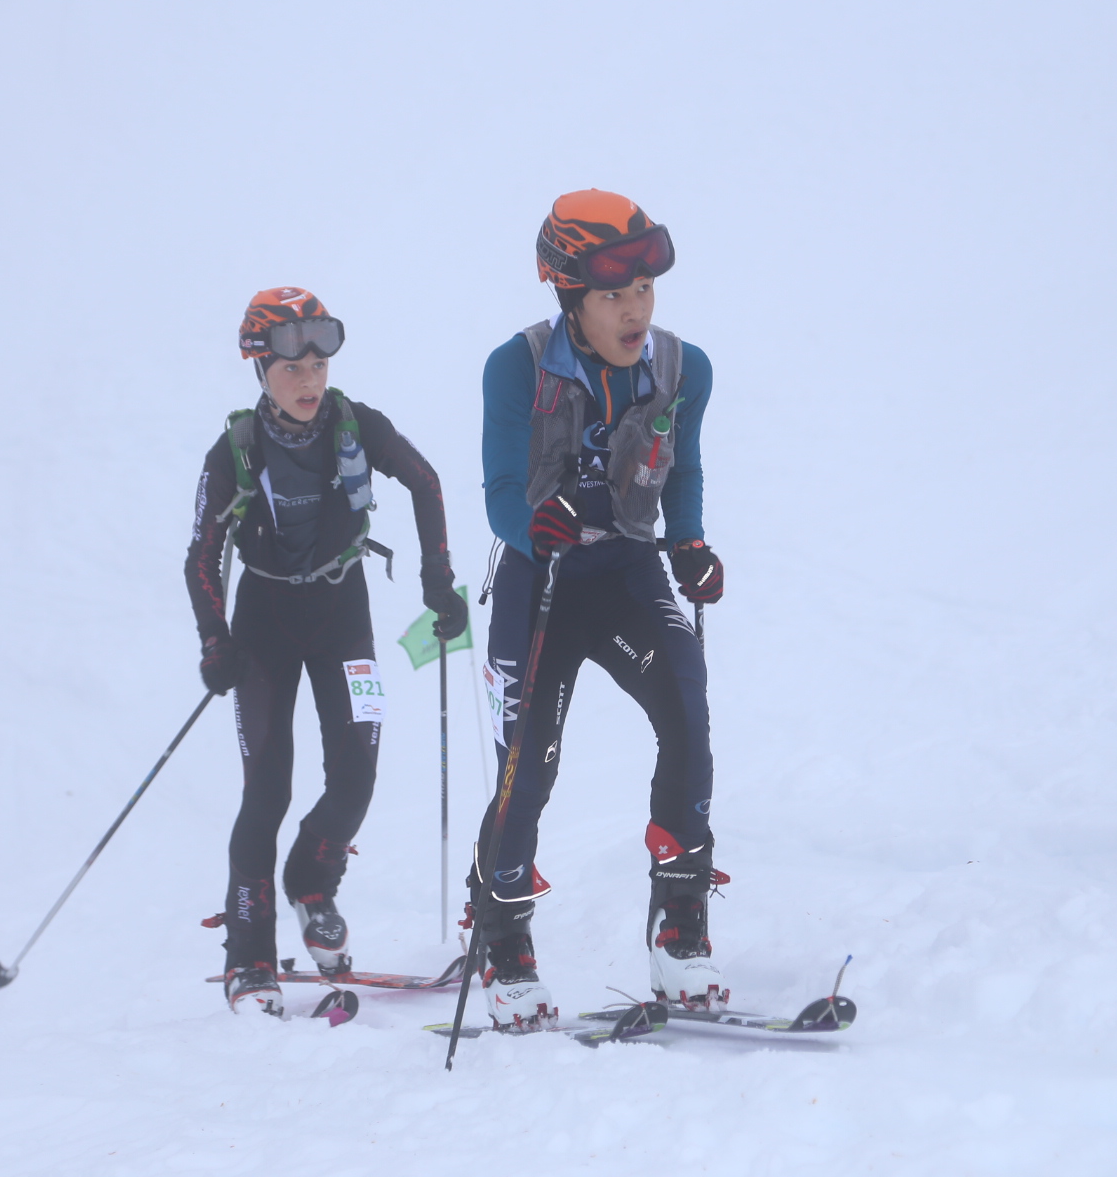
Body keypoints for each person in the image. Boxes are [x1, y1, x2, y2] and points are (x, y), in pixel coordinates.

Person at [470, 190, 725, 1030]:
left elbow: (682, 470)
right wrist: (532, 525)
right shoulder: (517, 366)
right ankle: (503, 934)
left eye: (644, 290)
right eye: (614, 295)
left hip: (625, 570)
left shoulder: (685, 369)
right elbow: (501, 490)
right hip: (539, 582)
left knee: (686, 708)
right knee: (528, 767)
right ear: (569, 294)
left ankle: (680, 924)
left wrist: (688, 543)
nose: (635, 311)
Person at [184, 287, 468, 1015]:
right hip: (265, 624)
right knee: (267, 790)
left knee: (356, 774)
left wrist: (438, 580)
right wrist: (215, 639)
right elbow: (201, 556)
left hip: (345, 615)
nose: (309, 381)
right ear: (260, 369)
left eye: (318, 365)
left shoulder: (355, 423)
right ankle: (250, 955)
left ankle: (311, 883)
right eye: (292, 369)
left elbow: (426, 481)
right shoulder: (237, 449)